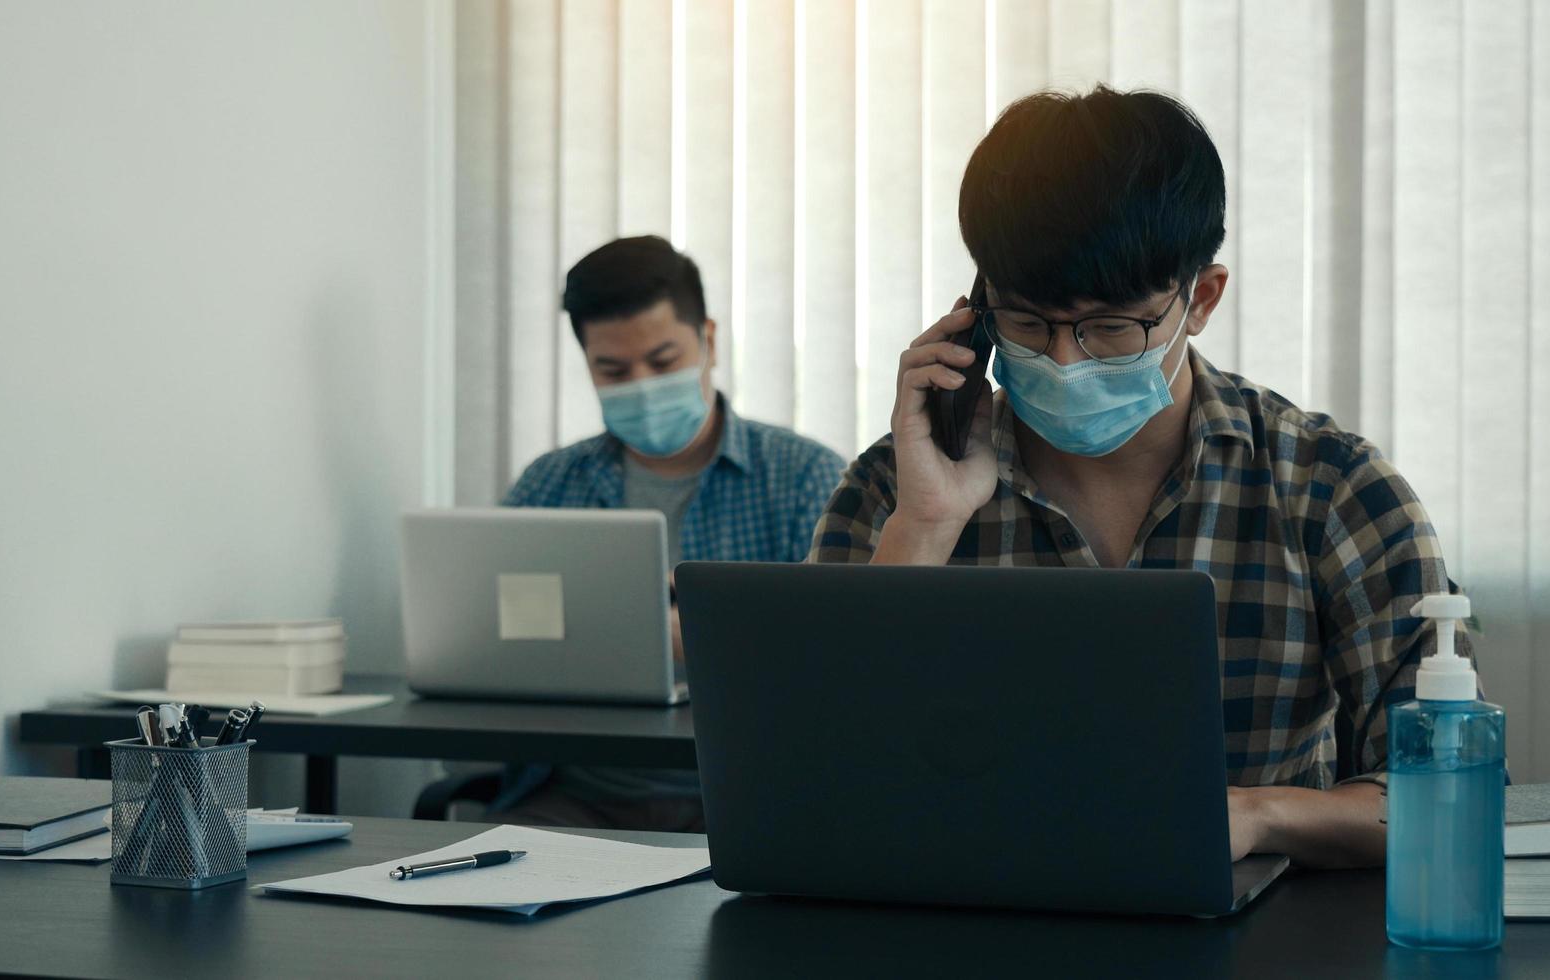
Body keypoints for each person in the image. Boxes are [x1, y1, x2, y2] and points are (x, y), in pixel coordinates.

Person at [809, 87, 1473, 869]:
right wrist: (924, 528)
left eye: (1111, 327)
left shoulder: (1329, 489)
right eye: (1026, 322)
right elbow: (814, 780)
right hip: (970, 917)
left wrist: (1254, 817)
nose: (1064, 359)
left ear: (1202, 299)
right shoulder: (897, 487)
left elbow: (1450, 792)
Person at [496, 235, 844, 832]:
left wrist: (687, 636)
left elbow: (842, 659)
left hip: (754, 797)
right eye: (612, 370)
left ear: (708, 341)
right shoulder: (549, 485)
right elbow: (496, 647)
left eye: (661, 363)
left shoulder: (807, 478)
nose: (641, 385)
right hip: (578, 800)